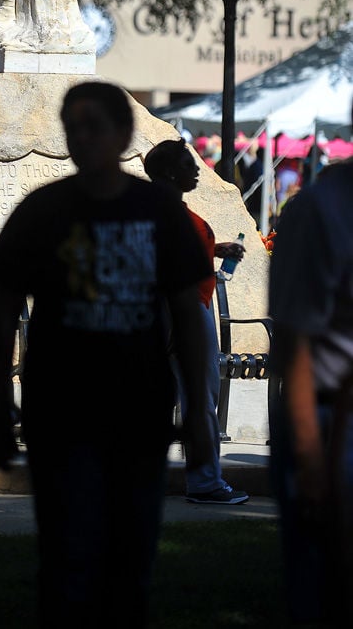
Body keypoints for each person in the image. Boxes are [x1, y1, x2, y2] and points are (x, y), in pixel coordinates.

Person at [0, 81, 213, 628]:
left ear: (125, 133)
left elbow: (188, 311)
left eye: (95, 127)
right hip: (60, 413)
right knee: (66, 560)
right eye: (74, 129)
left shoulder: (158, 213)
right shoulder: (43, 211)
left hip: (139, 410)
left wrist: (200, 416)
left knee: (131, 562)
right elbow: (4, 310)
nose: (82, 139)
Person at [269, 102, 353, 626]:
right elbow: (295, 348)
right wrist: (311, 463)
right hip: (324, 422)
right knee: (323, 586)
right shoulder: (321, 211)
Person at [143, 137, 249, 504]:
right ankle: (205, 482)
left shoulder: (162, 211)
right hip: (183, 315)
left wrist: (216, 249)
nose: (198, 170)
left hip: (186, 310)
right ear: (171, 173)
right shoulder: (164, 214)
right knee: (200, 400)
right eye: (190, 164)